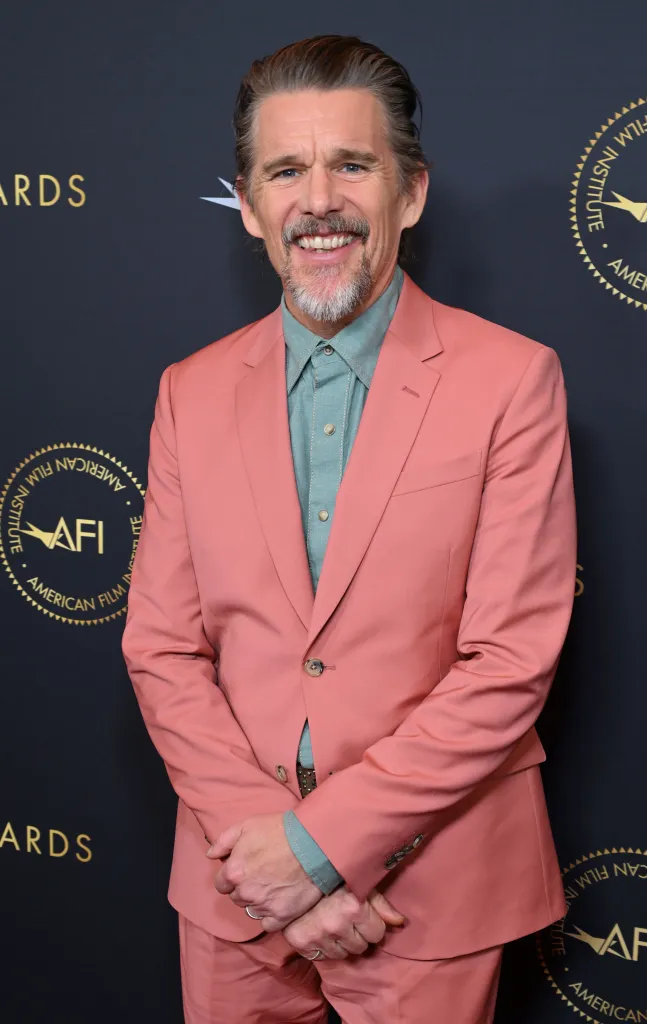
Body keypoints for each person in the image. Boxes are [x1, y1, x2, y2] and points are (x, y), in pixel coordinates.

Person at [121, 33, 577, 1024]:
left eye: (351, 165)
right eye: (286, 170)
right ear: (246, 205)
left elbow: (507, 659)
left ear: (407, 193)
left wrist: (319, 850)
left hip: (428, 896)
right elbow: (159, 645)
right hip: (234, 883)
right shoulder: (186, 393)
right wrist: (271, 857)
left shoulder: (511, 381)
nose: (317, 199)